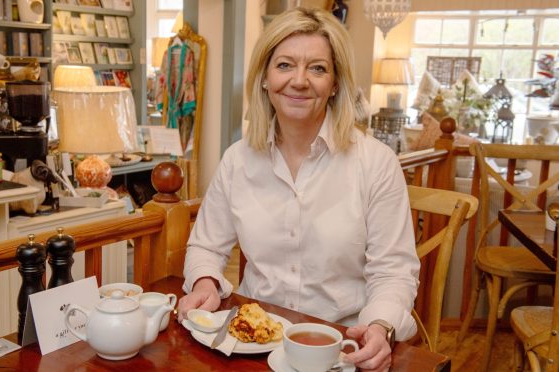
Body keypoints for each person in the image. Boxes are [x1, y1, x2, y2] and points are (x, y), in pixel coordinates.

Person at [177, 7, 419, 371]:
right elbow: (206, 247)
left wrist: (381, 326)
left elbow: (393, 272)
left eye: (318, 68)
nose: (300, 81)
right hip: (253, 341)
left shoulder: (376, 162)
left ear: (335, 83)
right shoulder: (237, 160)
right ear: (264, 77)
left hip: (342, 344)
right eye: (285, 65)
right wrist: (205, 282)